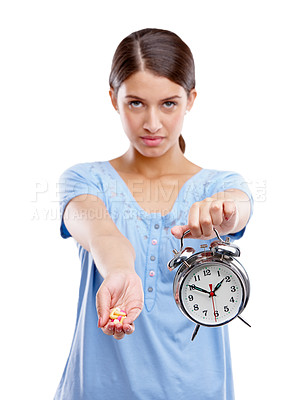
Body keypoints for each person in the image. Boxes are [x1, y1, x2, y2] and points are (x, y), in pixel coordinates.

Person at [54, 28, 253, 400]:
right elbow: (101, 233)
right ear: (113, 99)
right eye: (135, 103)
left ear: (190, 99)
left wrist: (227, 211)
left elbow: (239, 205)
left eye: (168, 103)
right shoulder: (84, 180)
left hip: (197, 390)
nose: (152, 123)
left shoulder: (220, 185)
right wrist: (119, 271)